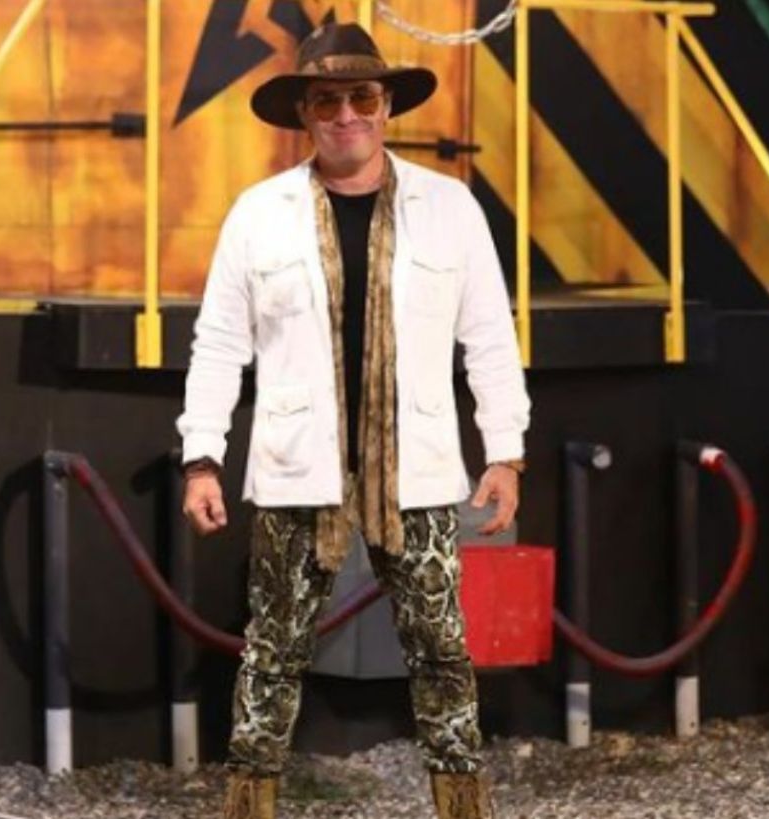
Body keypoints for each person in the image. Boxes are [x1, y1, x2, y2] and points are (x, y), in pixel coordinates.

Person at [176, 22, 530, 819]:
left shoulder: (450, 209)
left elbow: (489, 336)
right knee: (272, 652)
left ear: (386, 106)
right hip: (298, 468)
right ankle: (248, 809)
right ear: (305, 112)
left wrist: (505, 452)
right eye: (328, 100)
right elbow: (221, 342)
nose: (346, 115)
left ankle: (463, 810)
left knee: (442, 650)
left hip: (420, 470)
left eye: (362, 98)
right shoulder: (259, 214)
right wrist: (202, 456)